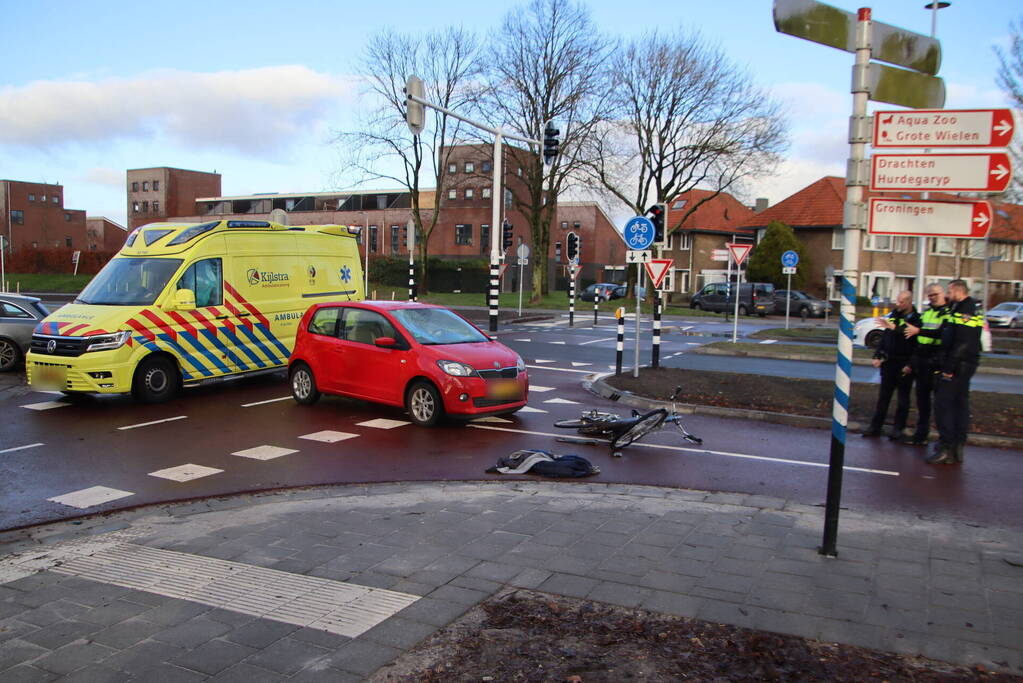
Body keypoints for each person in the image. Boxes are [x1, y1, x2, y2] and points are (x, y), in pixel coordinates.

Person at [928, 279, 984, 465]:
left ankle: (947, 448)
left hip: (958, 366)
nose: (946, 296)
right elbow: (948, 333)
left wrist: (948, 369)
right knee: (959, 404)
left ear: (957, 291)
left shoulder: (965, 309)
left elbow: (963, 342)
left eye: (949, 292)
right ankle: (957, 446)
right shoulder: (961, 307)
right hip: (963, 364)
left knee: (944, 406)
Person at [862, 290, 921, 440]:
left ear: (909, 302)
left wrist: (911, 364)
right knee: (883, 397)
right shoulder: (893, 316)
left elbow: (914, 342)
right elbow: (885, 338)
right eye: (898, 301)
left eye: (902, 302)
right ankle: (875, 427)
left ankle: (898, 429)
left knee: (903, 399)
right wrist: (878, 355)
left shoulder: (916, 319)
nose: (898, 304)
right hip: (889, 363)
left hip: (904, 363)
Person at [902, 284, 951, 446]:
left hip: (937, 360)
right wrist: (911, 363)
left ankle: (943, 440)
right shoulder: (927, 312)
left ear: (943, 294)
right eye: (929, 295)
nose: (932, 297)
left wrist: (919, 331)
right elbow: (918, 342)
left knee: (940, 404)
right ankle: (920, 436)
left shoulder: (948, 313)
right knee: (922, 402)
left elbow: (942, 334)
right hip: (922, 361)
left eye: (935, 294)